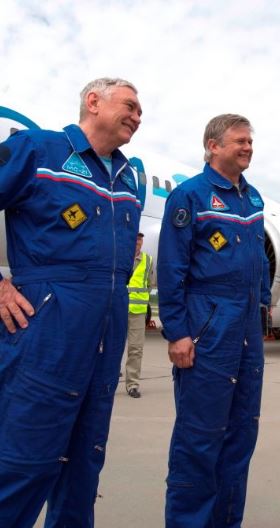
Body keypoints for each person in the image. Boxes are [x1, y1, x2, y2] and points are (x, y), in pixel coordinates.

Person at [0, 78, 142, 527]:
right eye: (131, 105)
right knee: (22, 462)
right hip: (46, 334)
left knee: (83, 466)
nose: (138, 116)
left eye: (141, 111)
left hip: (104, 335)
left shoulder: (126, 178)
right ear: (93, 101)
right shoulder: (38, 150)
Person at [158, 113, 271, 527]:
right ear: (213, 145)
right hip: (208, 331)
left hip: (246, 332)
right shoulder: (190, 196)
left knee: (241, 435)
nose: (248, 148)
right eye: (240, 141)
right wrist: (178, 332)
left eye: (250, 142)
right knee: (198, 440)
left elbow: (258, 257)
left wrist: (263, 303)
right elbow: (171, 269)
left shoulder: (254, 199)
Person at [125, 232, 155, 398]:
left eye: (140, 239)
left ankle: (132, 384)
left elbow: (149, 284)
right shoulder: (121, 256)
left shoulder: (148, 260)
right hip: (119, 308)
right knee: (111, 347)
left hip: (137, 311)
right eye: (135, 238)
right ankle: (107, 381)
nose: (138, 241)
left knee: (135, 349)